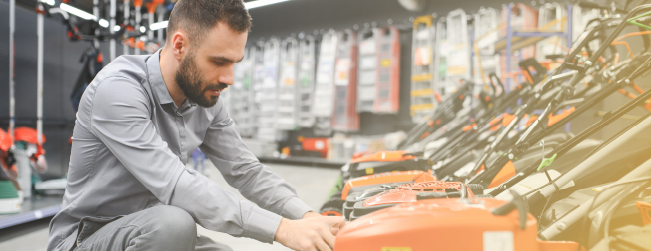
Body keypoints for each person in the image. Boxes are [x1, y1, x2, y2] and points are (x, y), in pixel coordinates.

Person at [47, 0, 344, 250]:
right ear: (179, 46)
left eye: (234, 63)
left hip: (152, 229)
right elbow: (175, 184)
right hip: (86, 238)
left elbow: (245, 170)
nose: (229, 78)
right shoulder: (118, 90)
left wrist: (306, 217)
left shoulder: (204, 97)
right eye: (219, 62)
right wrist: (281, 229)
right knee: (175, 223)